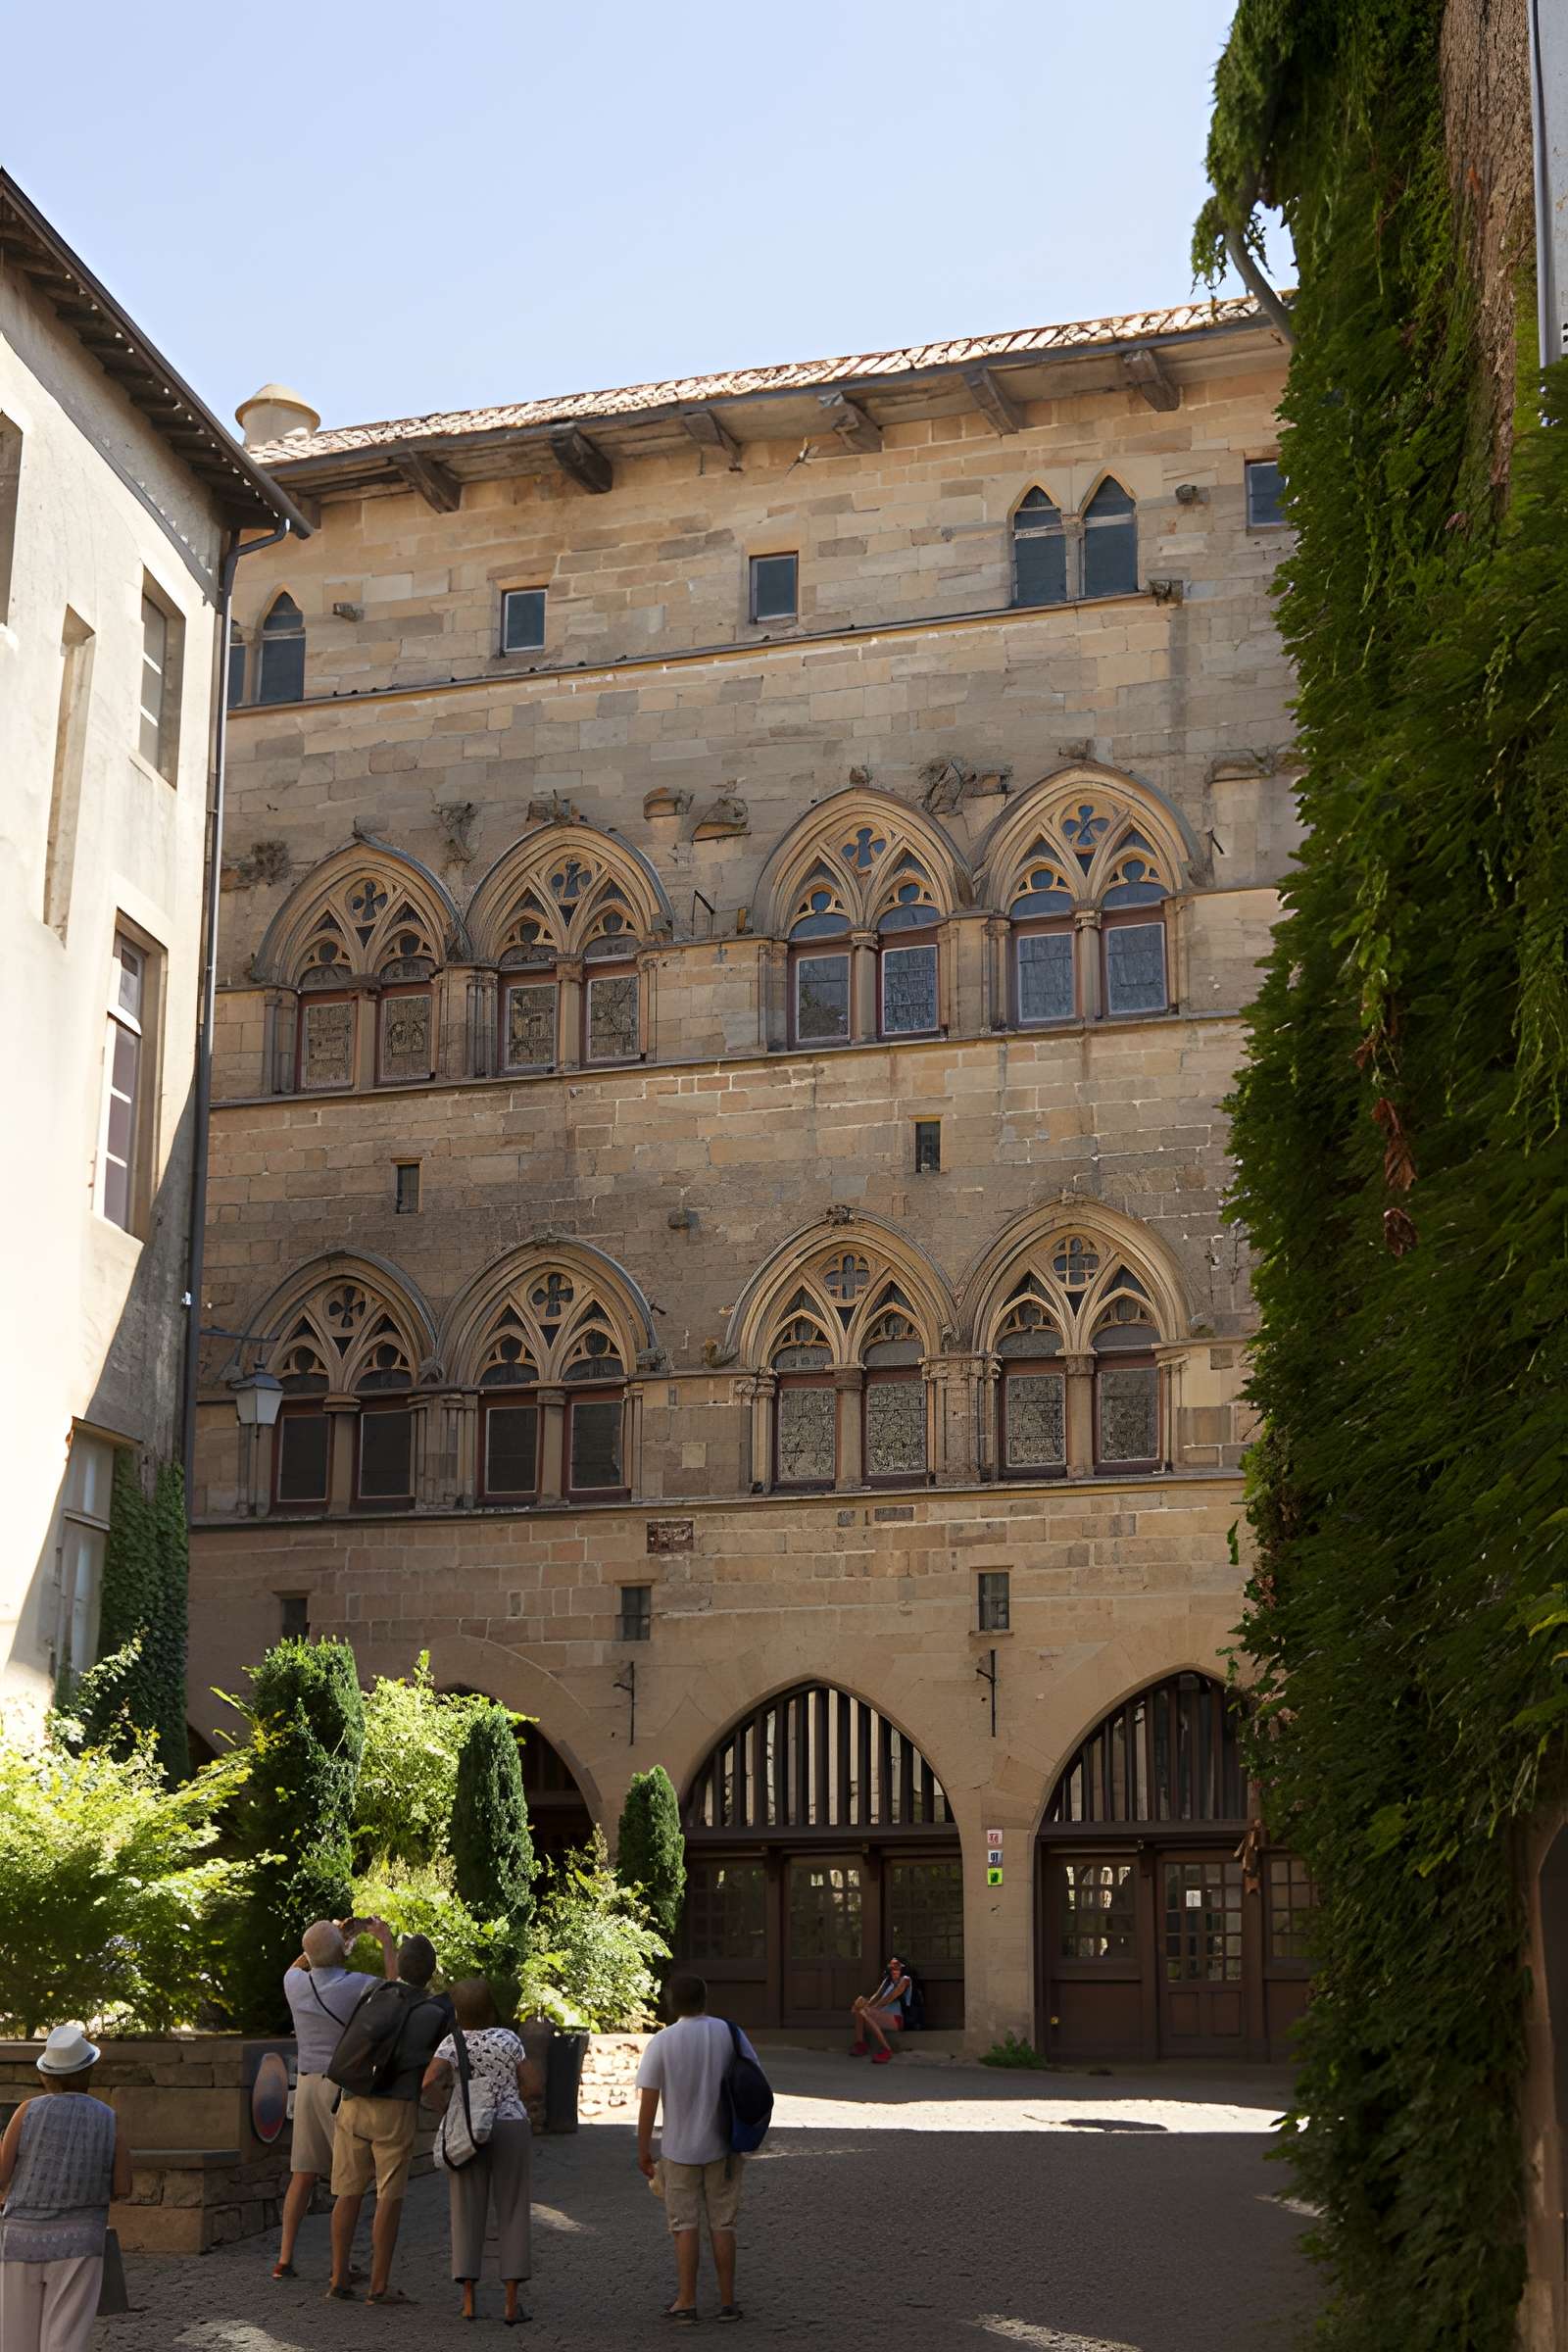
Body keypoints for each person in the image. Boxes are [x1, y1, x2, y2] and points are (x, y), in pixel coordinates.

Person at [325, 1933, 452, 2308]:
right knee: (388, 2197)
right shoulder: (433, 2012)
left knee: (347, 2193)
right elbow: (436, 2071)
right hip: (395, 2108)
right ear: (430, 1972)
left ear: (399, 1966)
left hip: (352, 2100)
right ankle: (378, 2286)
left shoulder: (374, 1994)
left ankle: (338, 2277)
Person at [275, 1915, 399, 2280]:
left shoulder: (293, 1983)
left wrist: (333, 1937)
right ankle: (340, 2268)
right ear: (343, 1954)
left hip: (307, 2085)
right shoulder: (356, 1985)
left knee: (302, 2174)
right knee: (350, 2180)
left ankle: (284, 2258)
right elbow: (396, 1992)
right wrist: (385, 1943)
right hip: (338, 2087)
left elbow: (304, 1959)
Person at [0, 2024, 132, 2352]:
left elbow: (1, 2176)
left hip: (22, 2238)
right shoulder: (108, 2118)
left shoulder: (26, 2111)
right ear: (88, 2071)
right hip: (80, 2242)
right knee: (65, 2338)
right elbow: (123, 2186)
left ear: (47, 2074)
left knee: (15, 2338)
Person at [421, 1977, 544, 2326]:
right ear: (491, 2007)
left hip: (469, 2129)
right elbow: (533, 2086)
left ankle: (469, 2302)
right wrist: (516, 2098)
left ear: (458, 2012)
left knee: (466, 2210)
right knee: (514, 2208)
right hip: (509, 2125)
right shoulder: (510, 2039)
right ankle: (510, 2303)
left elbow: (428, 2082)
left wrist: (448, 2107)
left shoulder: (451, 2042)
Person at [635, 1972, 756, 2327]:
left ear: (671, 2003)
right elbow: (753, 2080)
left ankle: (686, 2301)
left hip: (678, 2149)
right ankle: (728, 2302)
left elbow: (649, 2100)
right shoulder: (728, 2033)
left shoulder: (662, 2041)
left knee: (683, 2224)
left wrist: (643, 2149)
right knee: (723, 2223)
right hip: (723, 2144)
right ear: (705, 1998)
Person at [850, 1953, 912, 2062]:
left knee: (866, 2011)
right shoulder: (888, 1980)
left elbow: (891, 1996)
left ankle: (887, 2050)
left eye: (897, 1966)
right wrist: (862, 2004)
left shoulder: (905, 1980)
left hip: (897, 2019)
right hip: (882, 2017)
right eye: (892, 1966)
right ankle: (861, 2044)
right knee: (860, 2008)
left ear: (903, 1967)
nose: (894, 1969)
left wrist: (872, 2009)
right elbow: (876, 1996)